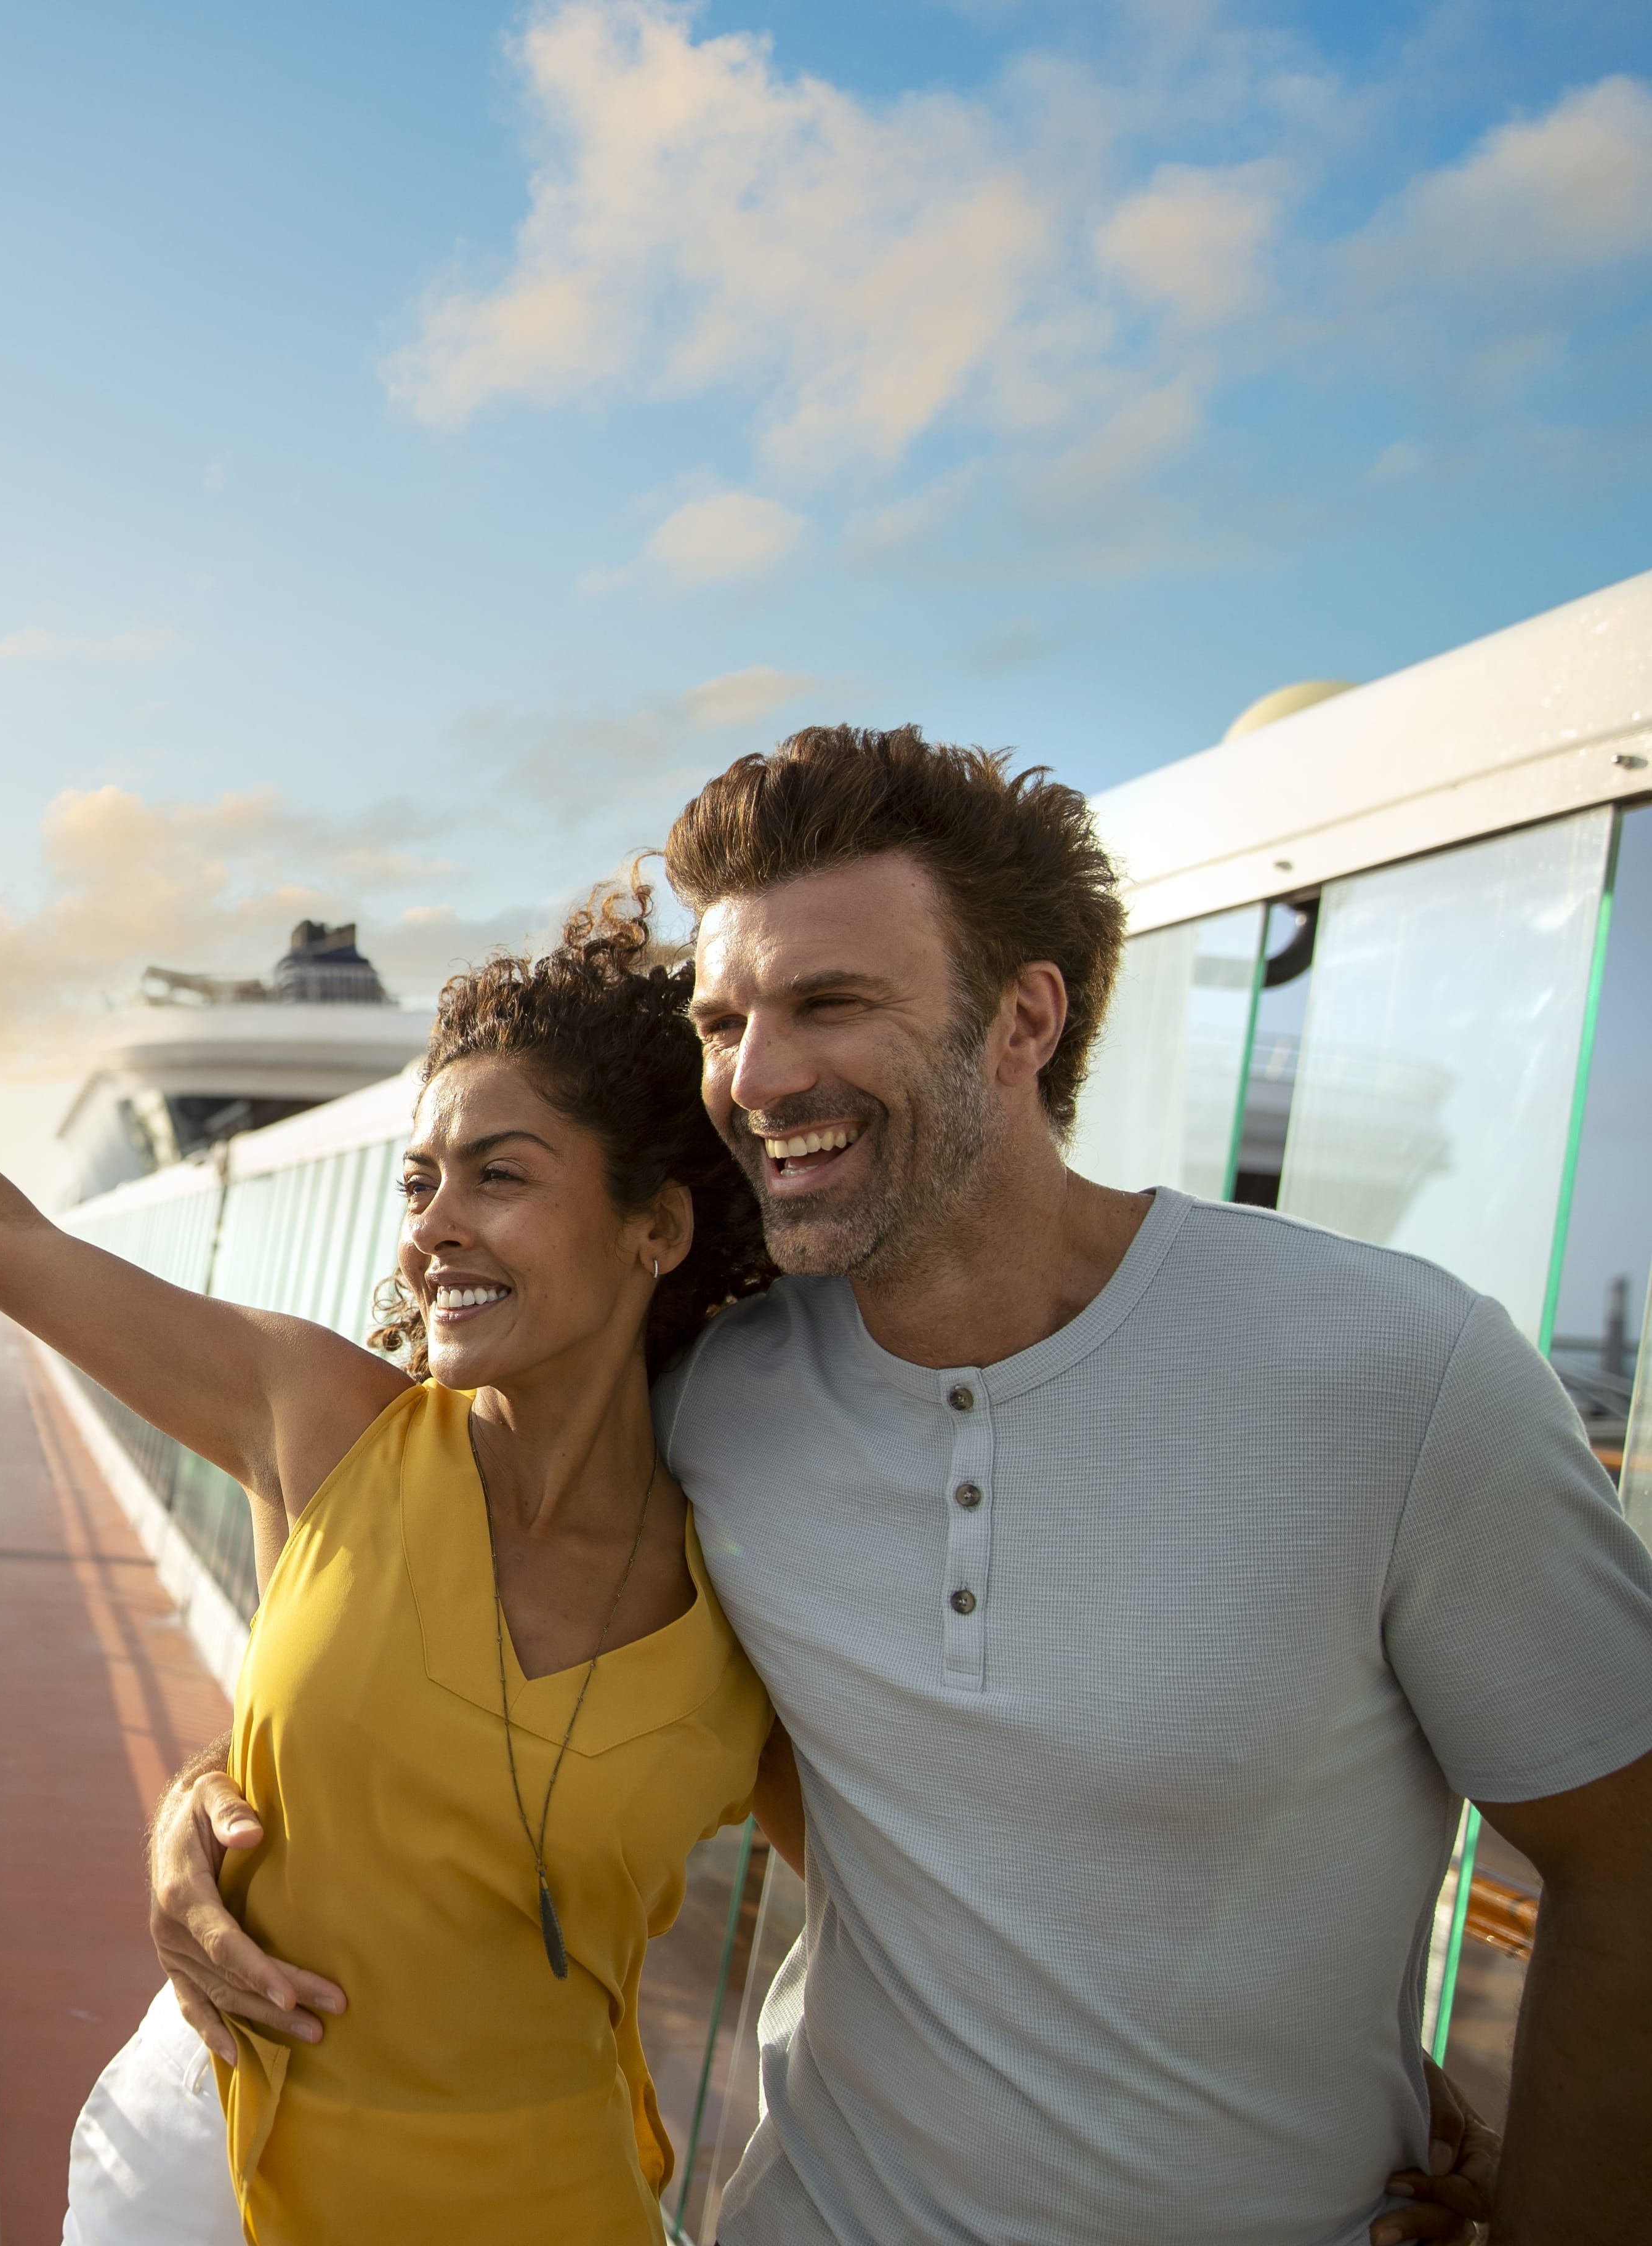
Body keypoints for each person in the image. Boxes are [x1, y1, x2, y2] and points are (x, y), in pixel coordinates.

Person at [150, 726, 1652, 2246]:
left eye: (830, 1005)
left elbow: (1625, 1863)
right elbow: (407, 1593)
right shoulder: (710, 1405)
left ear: (1024, 1019)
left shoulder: (1399, 1373)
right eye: (723, 1018)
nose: (754, 1075)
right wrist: (206, 1804)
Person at [0, 890, 789, 2240]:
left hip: (554, 2201)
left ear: (660, 1229)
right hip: (214, 2178)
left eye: (498, 1175)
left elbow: (919, 1907)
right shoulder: (327, 1426)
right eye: (418, 1181)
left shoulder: (756, 1592)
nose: (432, 1227)